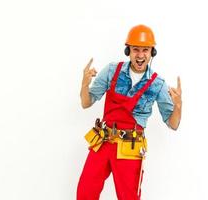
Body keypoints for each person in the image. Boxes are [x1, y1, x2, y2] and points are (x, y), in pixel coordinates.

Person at [77, 24, 182, 200]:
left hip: (130, 147)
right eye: (135, 50)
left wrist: (178, 105)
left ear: (152, 52)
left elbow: (173, 124)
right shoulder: (112, 70)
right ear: (128, 51)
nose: (140, 55)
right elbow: (86, 103)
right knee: (85, 192)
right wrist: (84, 84)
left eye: (145, 50)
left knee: (129, 197)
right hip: (102, 140)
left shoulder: (158, 84)